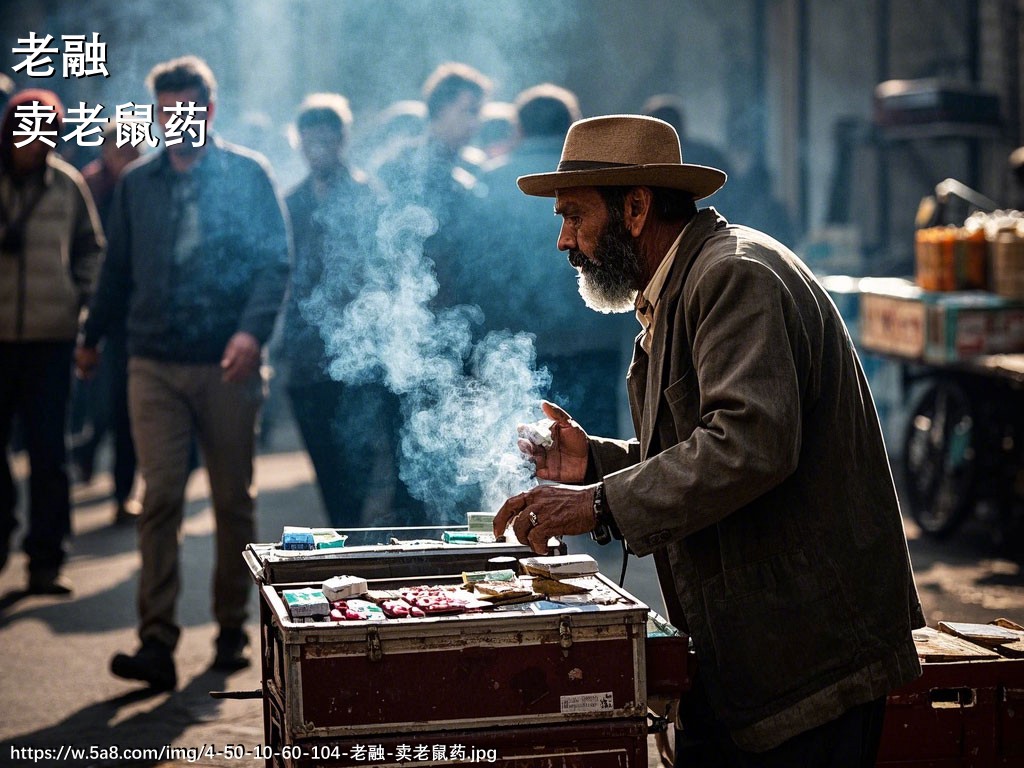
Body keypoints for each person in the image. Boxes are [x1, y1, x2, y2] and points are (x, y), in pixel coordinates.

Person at [492, 115, 924, 766]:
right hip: (752, 662)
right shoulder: (681, 287)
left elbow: (749, 444)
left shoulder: (732, 275)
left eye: (575, 216)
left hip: (808, 663)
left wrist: (600, 504)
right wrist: (597, 466)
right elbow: (705, 450)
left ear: (635, 208)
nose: (563, 240)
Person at [76, 55, 289, 690]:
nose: (177, 122)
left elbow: (274, 264)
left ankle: (230, 629)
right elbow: (116, 271)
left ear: (209, 109)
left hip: (228, 364)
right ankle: (157, 643)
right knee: (160, 497)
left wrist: (252, 333)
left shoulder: (248, 175)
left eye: (187, 110)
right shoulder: (139, 185)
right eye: (166, 112)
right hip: (154, 365)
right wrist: (91, 339)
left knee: (232, 503)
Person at [281, 93, 419, 527]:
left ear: (342, 140)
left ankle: (354, 543)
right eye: (310, 140)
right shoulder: (291, 203)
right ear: (299, 143)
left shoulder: (368, 197)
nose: (318, 148)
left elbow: (388, 274)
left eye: (327, 139)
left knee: (358, 465)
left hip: (359, 363)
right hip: (306, 361)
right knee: (326, 464)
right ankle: (344, 535)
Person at [475, 83, 632, 438]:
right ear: (571, 128)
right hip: (593, 336)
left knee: (524, 453)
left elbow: (476, 270)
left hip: (516, 344)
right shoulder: (599, 183)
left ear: (519, 128)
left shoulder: (489, 181)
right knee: (595, 448)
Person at [0, 88, 103, 594]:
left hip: (51, 338)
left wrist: (78, 297)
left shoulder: (67, 185)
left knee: (48, 452)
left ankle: (47, 558)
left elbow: (92, 247)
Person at [72, 124, 142, 525]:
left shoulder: (147, 184)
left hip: (140, 315)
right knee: (107, 405)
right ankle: (86, 449)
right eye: (121, 148)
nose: (127, 156)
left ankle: (121, 493)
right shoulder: (90, 186)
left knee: (126, 411)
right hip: (102, 311)